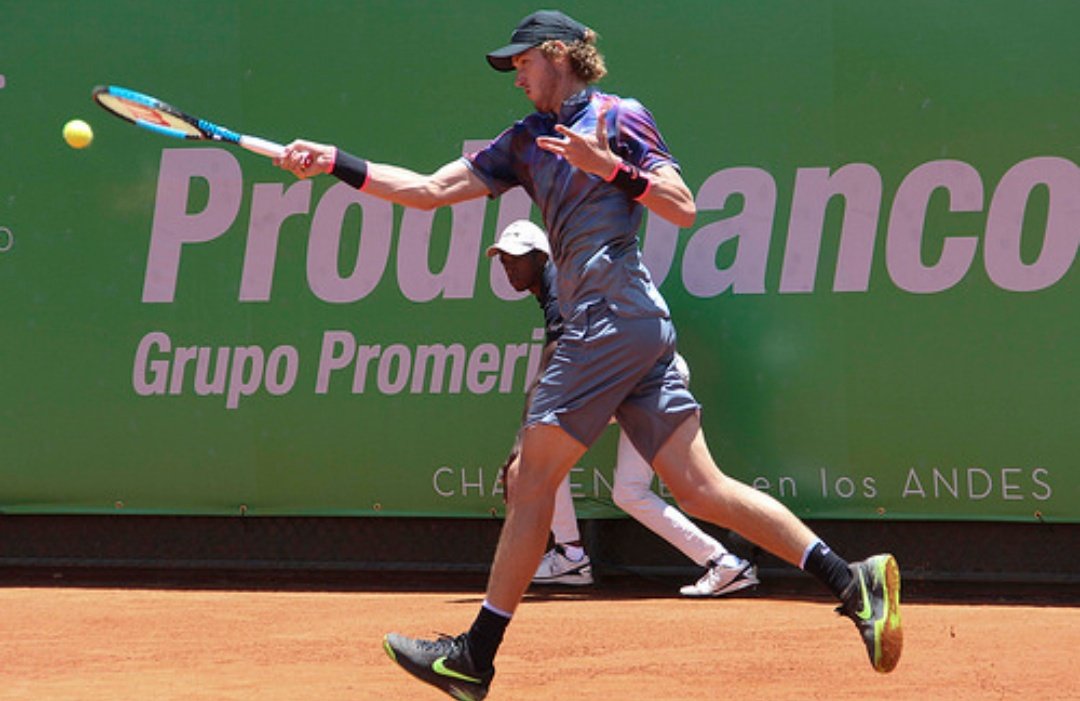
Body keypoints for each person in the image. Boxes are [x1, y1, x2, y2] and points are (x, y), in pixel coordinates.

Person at [277, 10, 903, 699]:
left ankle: (474, 655)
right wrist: (335, 161)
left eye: (522, 63)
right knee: (699, 488)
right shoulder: (522, 141)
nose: (515, 77)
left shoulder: (619, 116)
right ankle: (853, 579)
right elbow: (428, 192)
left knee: (531, 480)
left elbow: (683, 206)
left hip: (609, 319)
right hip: (631, 327)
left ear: (557, 54)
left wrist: (610, 168)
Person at [488, 219, 759, 596]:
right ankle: (724, 564)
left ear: (541, 257)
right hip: (631, 383)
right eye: (503, 260)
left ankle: (570, 554)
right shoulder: (556, 287)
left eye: (516, 258)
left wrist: (523, 440)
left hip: (645, 381)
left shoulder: (560, 286)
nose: (509, 267)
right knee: (625, 490)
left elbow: (550, 364)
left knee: (546, 456)